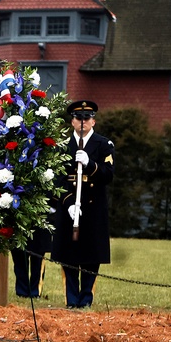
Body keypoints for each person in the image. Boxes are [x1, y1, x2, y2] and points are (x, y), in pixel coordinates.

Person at [51, 100, 115, 308]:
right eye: (78, 118)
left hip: (93, 207)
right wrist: (69, 202)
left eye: (87, 118)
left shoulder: (104, 145)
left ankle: (86, 298)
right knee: (68, 254)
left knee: (91, 255)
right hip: (69, 206)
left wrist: (90, 164)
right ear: (72, 121)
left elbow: (108, 175)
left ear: (93, 121)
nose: (82, 121)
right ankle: (71, 298)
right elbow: (55, 179)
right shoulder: (61, 147)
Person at [11, 227, 51, 299]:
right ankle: (22, 291)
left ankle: (35, 291)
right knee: (19, 259)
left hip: (39, 229)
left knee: (37, 262)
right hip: (18, 228)